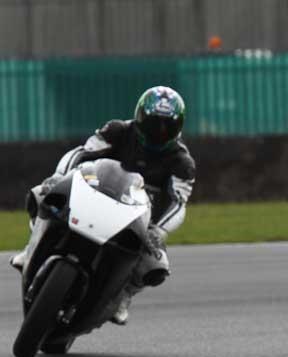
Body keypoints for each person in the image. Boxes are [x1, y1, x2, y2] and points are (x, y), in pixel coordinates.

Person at [9, 86, 196, 326]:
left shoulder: (182, 163)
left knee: (156, 265)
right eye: (152, 125)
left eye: (166, 127)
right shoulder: (117, 130)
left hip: (136, 217)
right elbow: (81, 154)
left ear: (177, 128)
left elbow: (178, 203)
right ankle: (31, 248)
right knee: (41, 195)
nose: (158, 133)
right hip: (93, 194)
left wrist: (158, 231)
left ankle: (123, 294)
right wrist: (59, 176)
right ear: (140, 117)